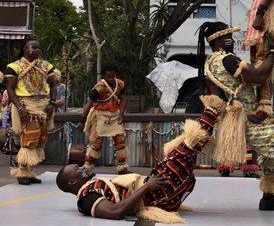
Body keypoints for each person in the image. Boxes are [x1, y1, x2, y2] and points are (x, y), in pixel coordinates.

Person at [198, 21, 274, 226]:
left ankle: (268, 198)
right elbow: (259, 76)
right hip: (248, 121)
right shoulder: (227, 60)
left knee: (270, 156)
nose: (232, 41)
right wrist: (272, 52)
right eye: (229, 37)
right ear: (218, 40)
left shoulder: (209, 64)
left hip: (238, 121)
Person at [56, 94, 221, 223]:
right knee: (185, 149)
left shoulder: (91, 188)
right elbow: (114, 212)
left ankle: (215, 110)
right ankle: (215, 108)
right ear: (71, 182)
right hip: (155, 196)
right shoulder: (86, 197)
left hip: (156, 192)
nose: (82, 168)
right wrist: (147, 187)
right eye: (76, 169)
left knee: (183, 149)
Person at [5, 36, 57, 185]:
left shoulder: (46, 66)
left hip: (44, 104)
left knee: (41, 138)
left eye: (38, 47)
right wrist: (19, 107)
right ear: (24, 49)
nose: (37, 50)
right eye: (33, 47)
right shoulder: (14, 66)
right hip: (26, 104)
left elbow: (53, 85)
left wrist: (52, 102)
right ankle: (22, 172)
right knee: (29, 138)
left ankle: (30, 172)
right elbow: (10, 88)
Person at [80, 66, 129, 175]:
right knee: (96, 143)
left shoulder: (120, 84)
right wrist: (82, 120)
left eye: (113, 76)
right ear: (103, 76)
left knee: (120, 141)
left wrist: (121, 114)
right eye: (108, 76)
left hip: (115, 115)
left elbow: (124, 98)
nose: (111, 78)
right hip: (100, 115)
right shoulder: (99, 87)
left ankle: (122, 168)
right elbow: (89, 103)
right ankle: (87, 168)